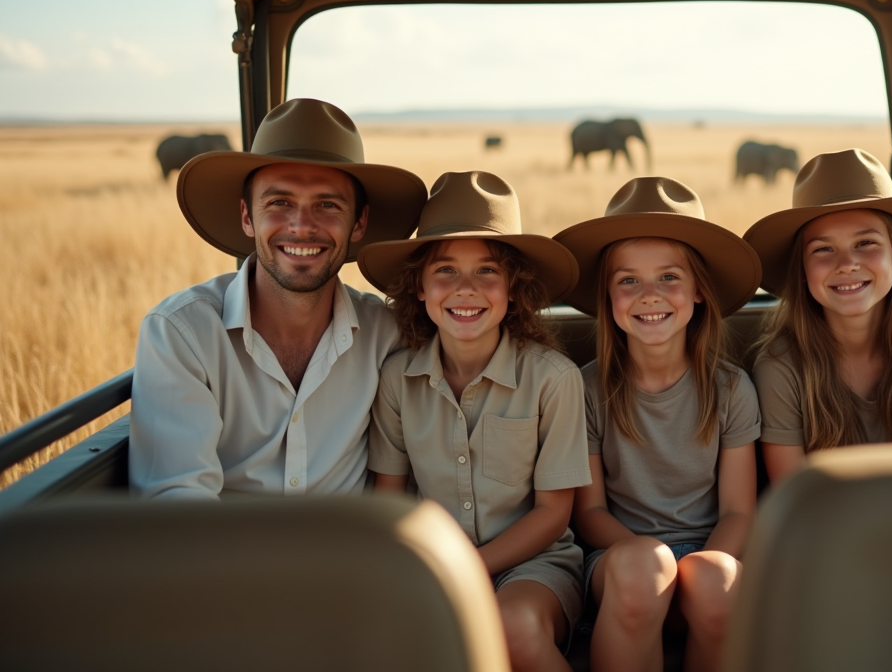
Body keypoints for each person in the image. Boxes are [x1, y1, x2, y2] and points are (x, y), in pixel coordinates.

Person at [129, 98, 427, 499]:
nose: (302, 227)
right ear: (247, 216)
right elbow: (179, 505)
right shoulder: (183, 334)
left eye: (327, 205)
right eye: (280, 203)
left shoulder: (387, 334)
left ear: (359, 223)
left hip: (353, 561)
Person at [360, 171, 590, 672]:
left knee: (511, 628)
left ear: (514, 288)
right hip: (430, 563)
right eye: (445, 270)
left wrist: (468, 569)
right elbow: (391, 496)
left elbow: (553, 512)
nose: (466, 289)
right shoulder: (398, 378)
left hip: (536, 564)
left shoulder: (554, 378)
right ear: (418, 288)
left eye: (487, 271)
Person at [553, 177, 762, 672]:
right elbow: (591, 513)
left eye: (669, 277)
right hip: (619, 555)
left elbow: (738, 512)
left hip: (709, 551)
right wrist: (657, 567)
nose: (649, 295)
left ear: (699, 294)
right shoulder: (585, 389)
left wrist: (693, 571)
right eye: (628, 280)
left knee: (716, 583)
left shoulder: (731, 388)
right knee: (643, 572)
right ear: (608, 297)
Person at [743, 148, 892, 484]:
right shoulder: (782, 369)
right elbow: (796, 504)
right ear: (802, 272)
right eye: (823, 249)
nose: (847, 263)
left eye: (866, 242)